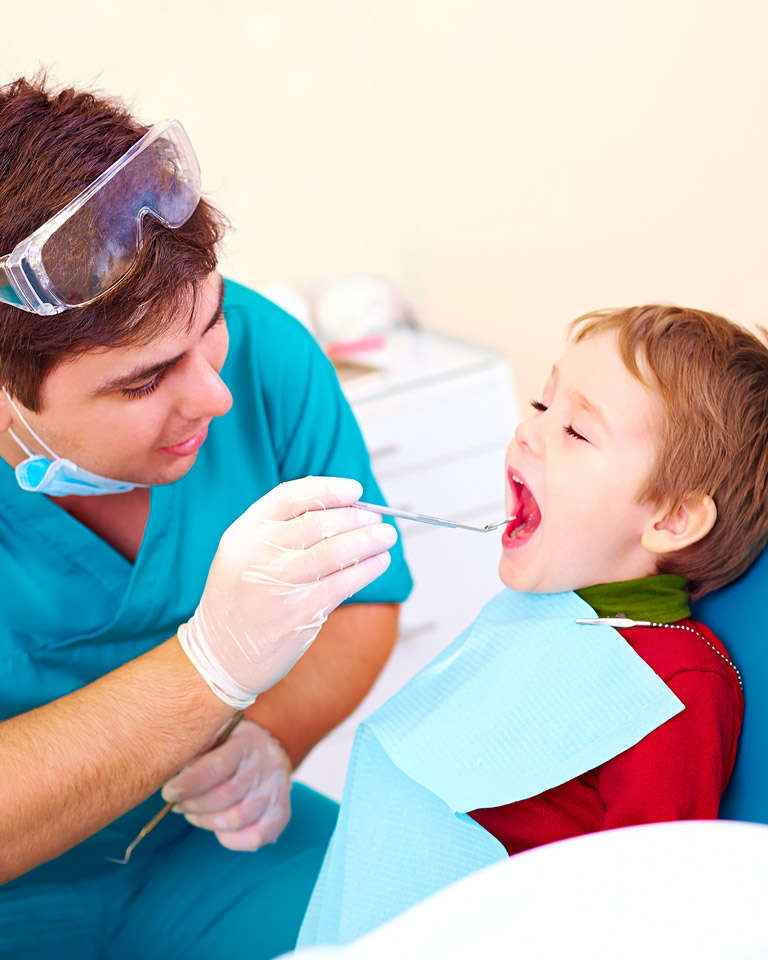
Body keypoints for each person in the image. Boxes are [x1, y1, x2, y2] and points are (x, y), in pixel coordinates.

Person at [0, 76, 412, 959]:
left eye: (211, 327)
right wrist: (210, 667)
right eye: (144, 381)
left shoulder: (267, 354)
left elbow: (366, 605)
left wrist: (271, 736)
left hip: (206, 849)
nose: (216, 395)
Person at [298, 303, 768, 946]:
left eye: (576, 432)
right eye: (542, 406)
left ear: (671, 520)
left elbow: (653, 906)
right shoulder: (547, 613)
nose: (528, 431)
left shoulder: (676, 685)